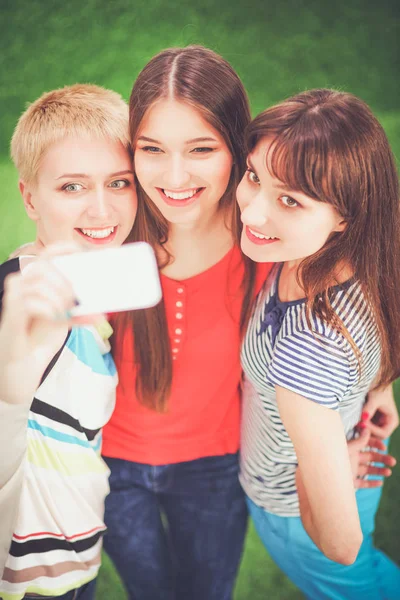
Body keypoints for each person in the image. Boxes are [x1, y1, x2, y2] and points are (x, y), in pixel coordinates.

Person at [100, 47, 397, 600]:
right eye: (152, 150)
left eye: (202, 149)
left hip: (215, 468)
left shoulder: (266, 240)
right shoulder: (114, 232)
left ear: (236, 149)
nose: (175, 175)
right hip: (115, 464)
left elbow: (361, 279)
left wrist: (356, 415)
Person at [237, 88, 400, 599]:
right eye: (253, 177)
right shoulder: (359, 256)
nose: (252, 213)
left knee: (362, 582)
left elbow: (339, 541)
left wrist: (321, 471)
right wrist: (382, 389)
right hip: (348, 439)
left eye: (289, 199)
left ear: (345, 215)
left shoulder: (303, 356)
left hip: (291, 513)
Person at [0, 84, 137, 600]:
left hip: (73, 555)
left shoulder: (92, 289)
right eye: (72, 187)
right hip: (26, 579)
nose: (101, 210)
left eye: (119, 183)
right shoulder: (20, 300)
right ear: (31, 197)